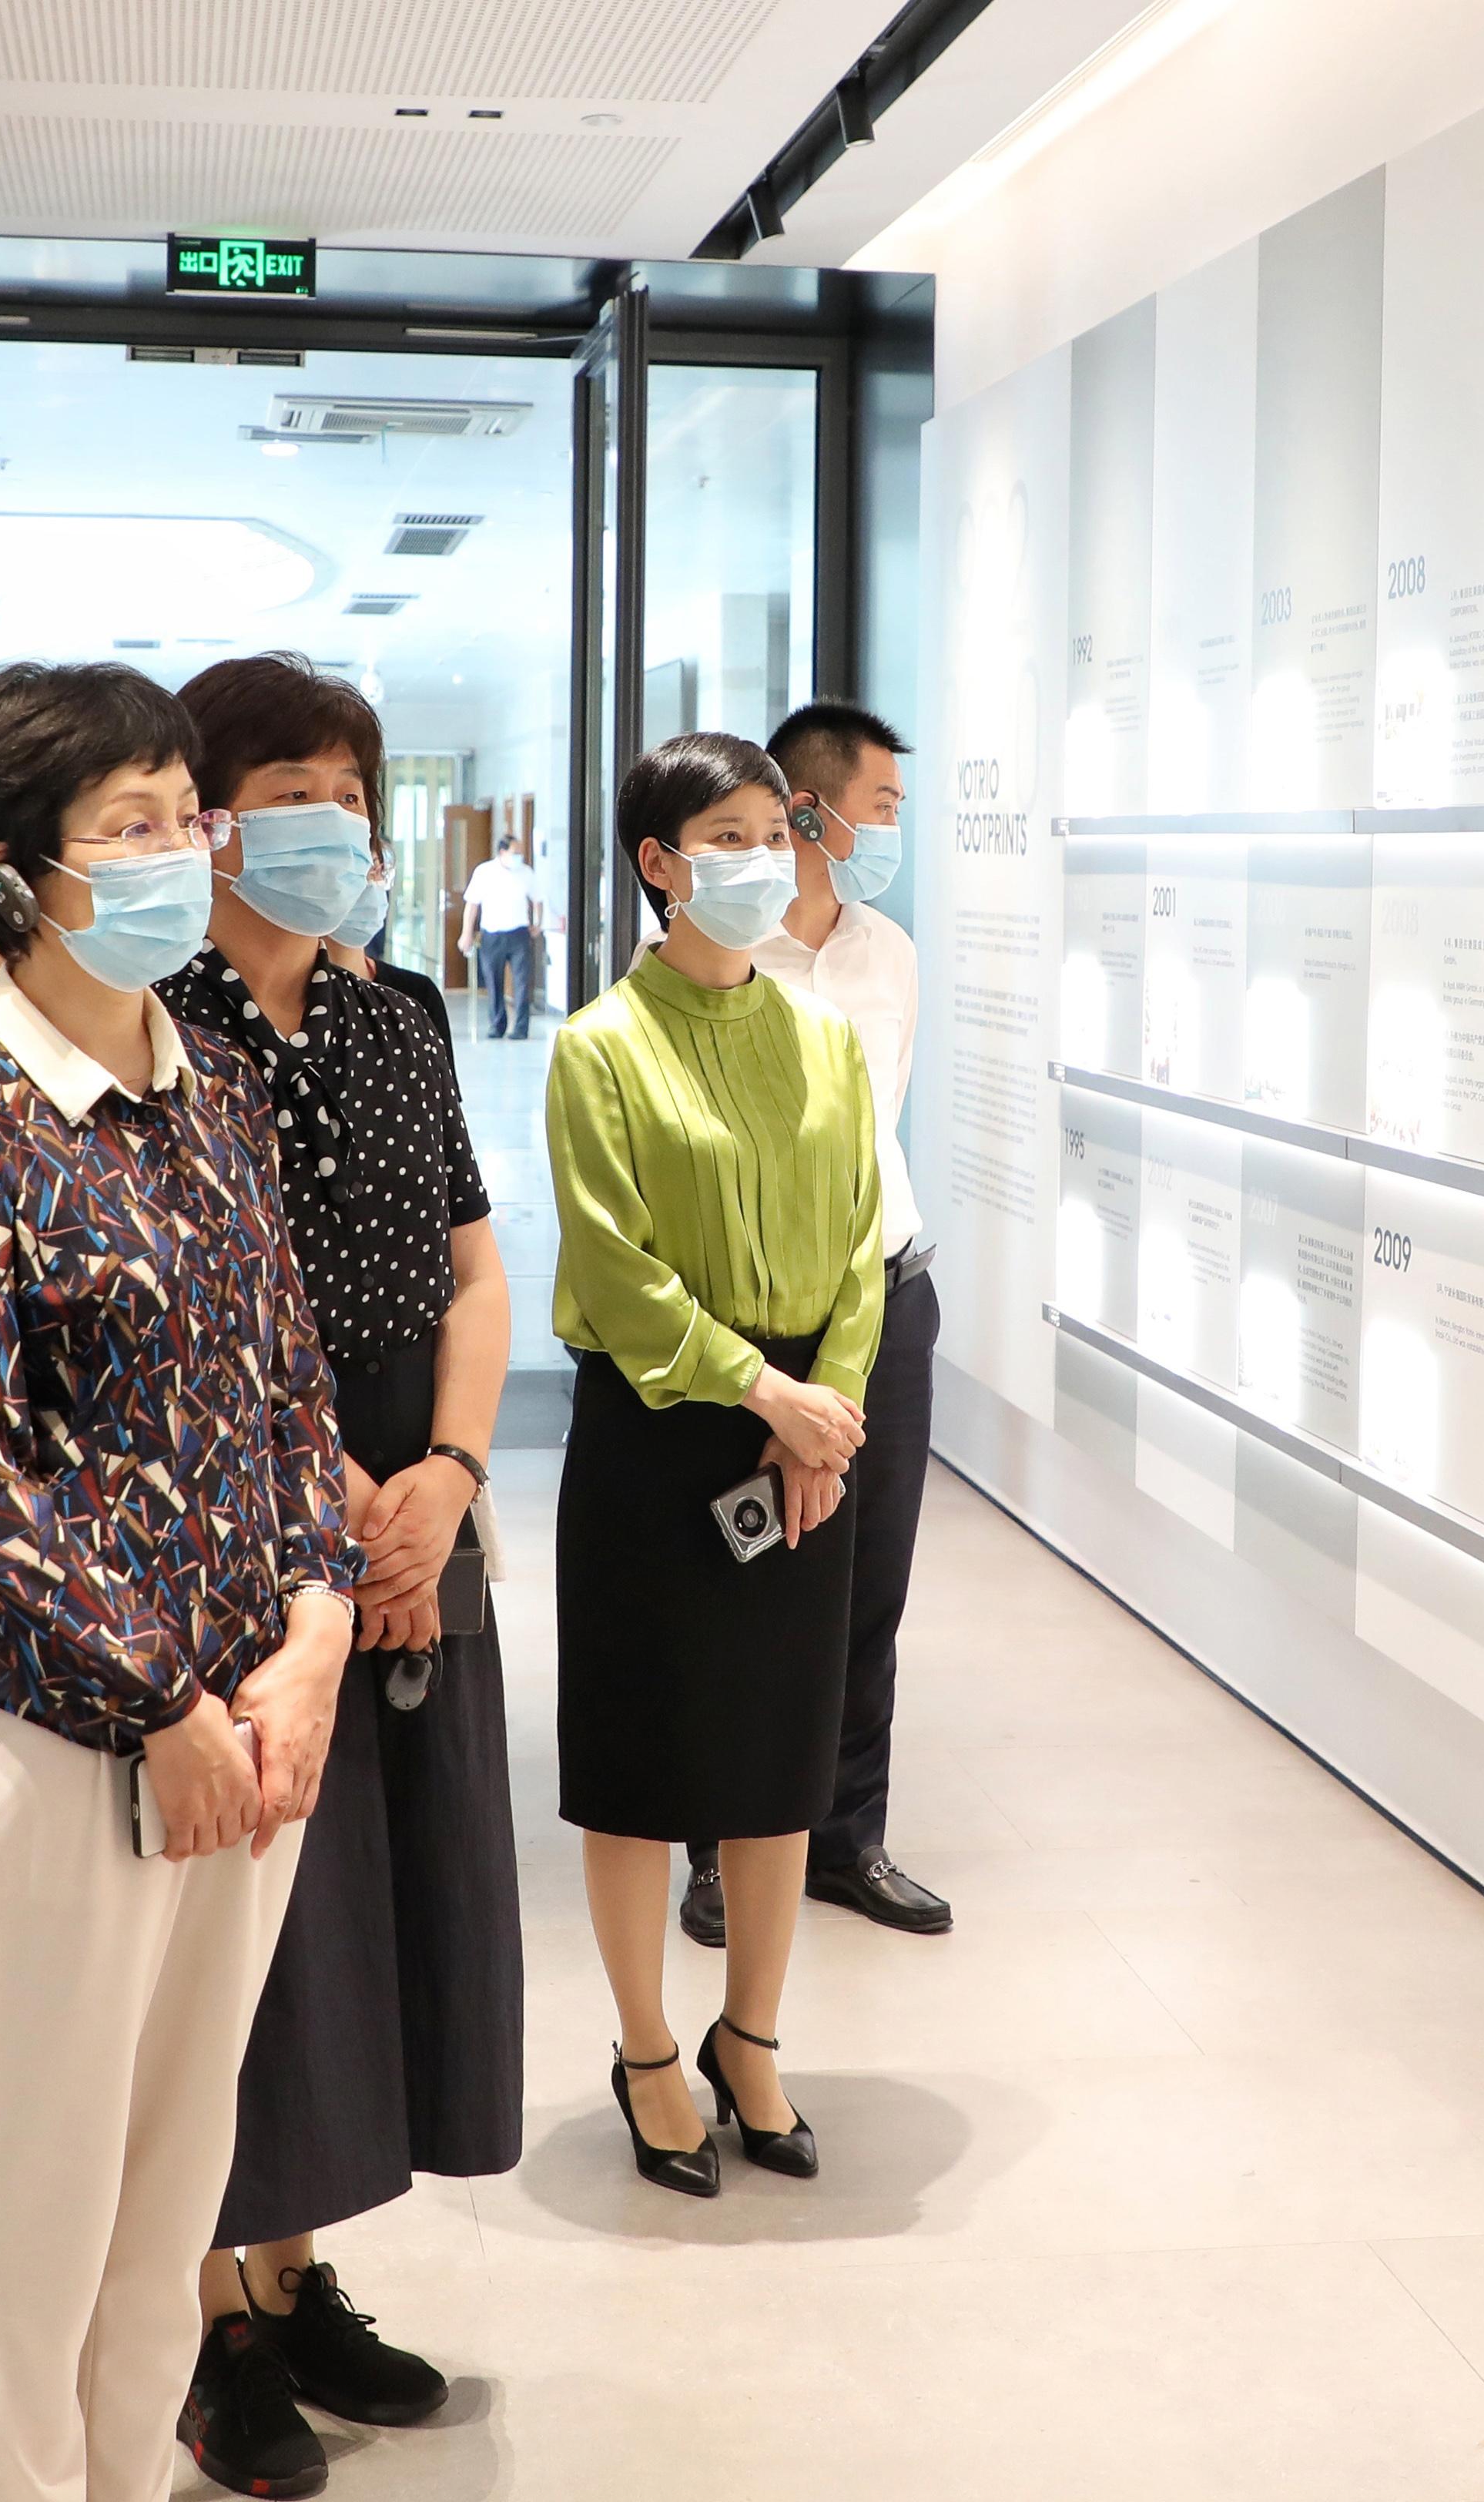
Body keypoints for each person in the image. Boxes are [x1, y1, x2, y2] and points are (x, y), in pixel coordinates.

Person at [0, 660, 361, 2502]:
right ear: (14, 873)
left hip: (249, 1735)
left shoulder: (212, 1087)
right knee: (31, 2225)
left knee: (166, 2203)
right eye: (128, 826)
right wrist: (158, 1704)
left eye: (182, 816)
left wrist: (313, 1631)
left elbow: (288, 1388)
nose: (175, 854)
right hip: (60, 1737)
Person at [152, 657, 523, 2495]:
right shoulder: (155, 1028)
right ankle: (202, 2314)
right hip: (238, 1506)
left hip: (414, 1505)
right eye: (289, 789)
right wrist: (348, 1506)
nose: (332, 824)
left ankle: (293, 2279)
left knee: (370, 1903)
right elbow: (196, 1323)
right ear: (208, 817)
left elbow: (473, 1268)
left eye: (350, 792)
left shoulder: (397, 1014)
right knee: (248, 1924)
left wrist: (445, 1478)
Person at [550, 730, 881, 2203]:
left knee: (773, 1763)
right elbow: (616, 1273)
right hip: (661, 1426)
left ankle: (749, 2036)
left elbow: (862, 1243)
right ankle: (644, 2051)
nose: (761, 859)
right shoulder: (597, 1046)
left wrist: (829, 1410)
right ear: (658, 862)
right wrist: (768, 1395)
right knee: (639, 1765)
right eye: (727, 836)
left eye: (772, 831)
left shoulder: (825, 1036)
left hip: (808, 1433)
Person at [680, 701, 951, 1950]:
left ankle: (846, 1837)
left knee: (865, 1587)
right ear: (809, 810)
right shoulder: (717, 961)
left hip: (887, 1296)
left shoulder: (888, 953)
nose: (891, 829)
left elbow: (879, 1130)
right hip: (757, 1317)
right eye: (881, 806)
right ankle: (716, 1846)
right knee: (742, 1584)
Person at [457, 827, 539, 1040]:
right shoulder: (484, 872)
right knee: (493, 982)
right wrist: (467, 933)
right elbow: (472, 905)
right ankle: (497, 1025)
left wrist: (537, 923)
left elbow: (537, 899)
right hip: (492, 935)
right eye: (515, 852)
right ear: (502, 852)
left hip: (519, 934)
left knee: (522, 983)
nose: (519, 856)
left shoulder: (526, 873)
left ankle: (521, 1028)